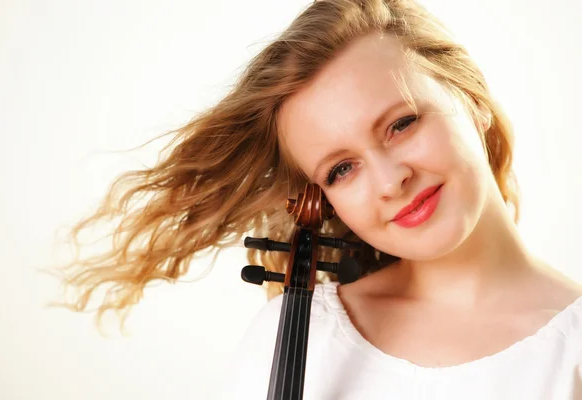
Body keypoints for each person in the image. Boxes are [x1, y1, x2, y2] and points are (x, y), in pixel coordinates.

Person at [50, 0, 582, 398]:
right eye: (342, 169)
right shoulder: (304, 332)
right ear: (322, 198)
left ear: (471, 101)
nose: (390, 179)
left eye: (402, 124)